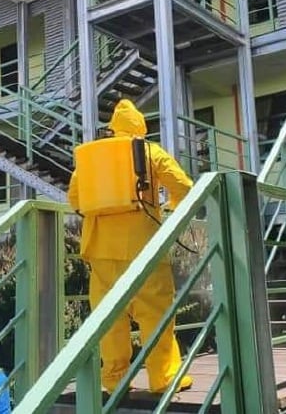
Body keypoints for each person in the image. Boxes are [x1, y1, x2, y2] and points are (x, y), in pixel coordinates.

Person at [67, 99, 194, 394]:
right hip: (144, 247)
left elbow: (75, 198)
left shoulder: (91, 158)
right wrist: (171, 210)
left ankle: (114, 380)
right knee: (155, 313)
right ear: (140, 127)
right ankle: (163, 377)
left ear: (112, 128)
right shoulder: (150, 151)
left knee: (109, 318)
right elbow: (183, 187)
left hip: (100, 250)